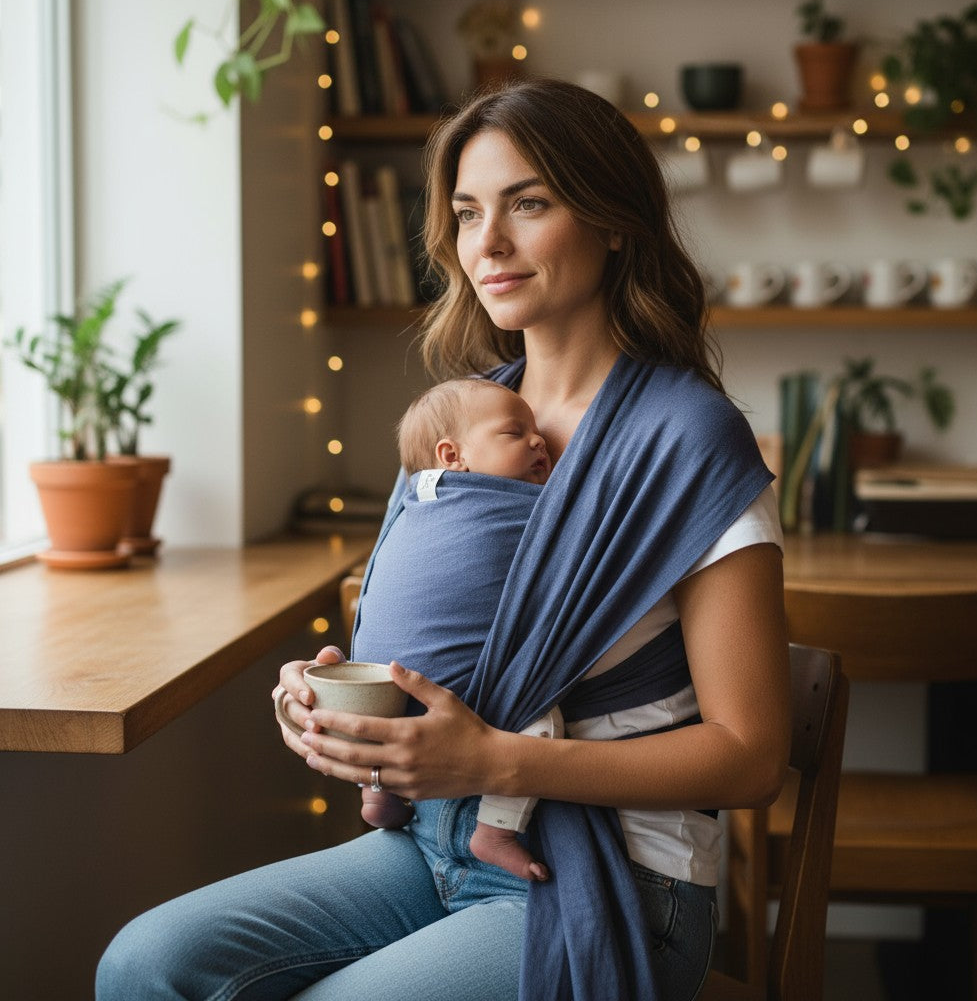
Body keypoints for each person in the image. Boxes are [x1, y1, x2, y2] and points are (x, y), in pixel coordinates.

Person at [96, 78, 790, 1001]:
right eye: (467, 214)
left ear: (613, 222)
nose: (487, 243)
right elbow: (429, 650)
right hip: (433, 841)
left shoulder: (688, 439)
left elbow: (752, 755)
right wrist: (323, 703)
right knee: (142, 965)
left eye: (527, 204)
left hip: (623, 881)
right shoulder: (465, 424)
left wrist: (498, 759)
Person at [358, 376, 562, 884]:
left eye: (536, 431)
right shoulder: (521, 507)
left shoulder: (412, 504)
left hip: (374, 689)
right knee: (541, 719)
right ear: (453, 456)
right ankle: (495, 832)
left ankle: (376, 791)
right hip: (456, 695)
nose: (539, 440)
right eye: (515, 433)